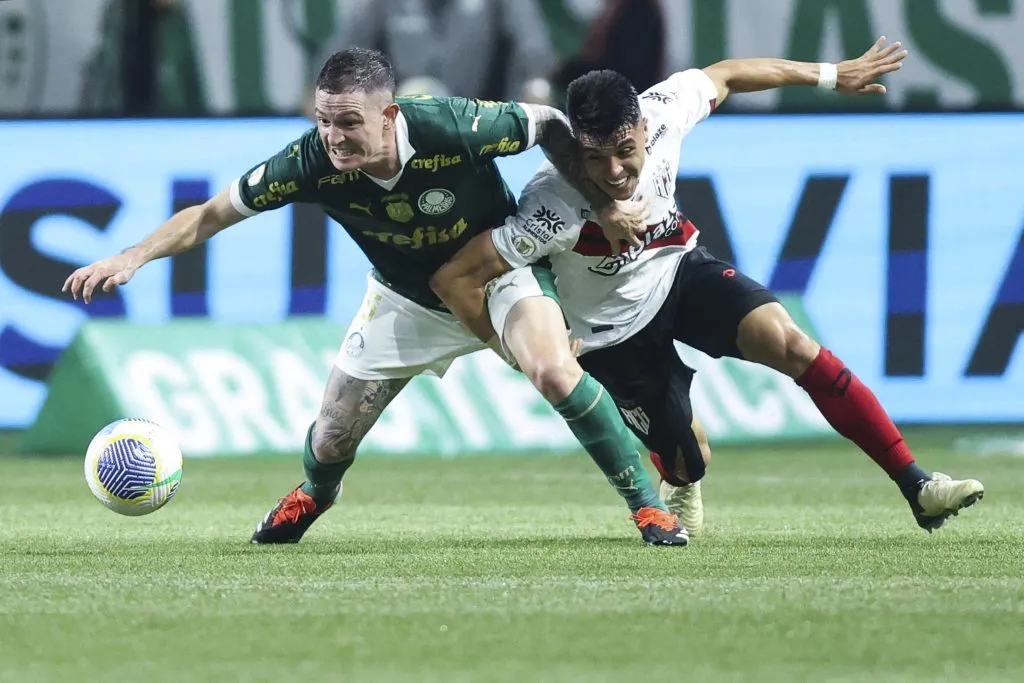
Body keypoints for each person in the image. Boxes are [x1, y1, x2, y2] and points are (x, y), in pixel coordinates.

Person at [62, 48, 688, 546]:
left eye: (349, 122)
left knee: (555, 371)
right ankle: (315, 493)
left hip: (499, 270)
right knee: (332, 437)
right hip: (405, 298)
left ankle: (648, 509)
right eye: (323, 120)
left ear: (390, 116)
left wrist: (606, 206)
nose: (333, 136)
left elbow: (552, 125)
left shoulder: (453, 126)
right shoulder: (306, 162)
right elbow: (208, 216)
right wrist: (131, 256)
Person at [429, 37, 985, 533]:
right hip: (609, 337)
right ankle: (681, 475)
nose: (617, 170)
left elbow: (727, 73)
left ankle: (917, 484)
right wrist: (522, 351)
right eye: (596, 159)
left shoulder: (665, 111)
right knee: (691, 457)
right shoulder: (547, 206)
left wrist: (831, 76)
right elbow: (461, 276)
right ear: (576, 146)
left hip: (679, 272)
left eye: (627, 150)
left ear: (644, 126)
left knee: (792, 343)